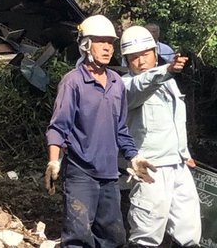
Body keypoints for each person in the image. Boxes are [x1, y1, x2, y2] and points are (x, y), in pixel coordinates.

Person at [45, 14, 156, 248]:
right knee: (78, 237)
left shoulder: (116, 83)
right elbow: (58, 126)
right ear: (86, 45)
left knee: (113, 238)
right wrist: (54, 162)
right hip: (80, 173)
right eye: (101, 42)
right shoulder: (73, 82)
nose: (107, 48)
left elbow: (121, 129)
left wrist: (133, 157)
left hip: (109, 176)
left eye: (110, 43)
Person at [119, 25, 201, 248]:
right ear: (126, 61)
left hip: (177, 164)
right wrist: (168, 69)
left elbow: (174, 120)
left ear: (155, 54)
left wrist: (184, 152)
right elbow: (141, 85)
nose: (141, 61)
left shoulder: (169, 84)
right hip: (150, 167)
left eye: (146, 54)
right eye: (134, 57)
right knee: (146, 231)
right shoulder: (125, 85)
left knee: (189, 230)